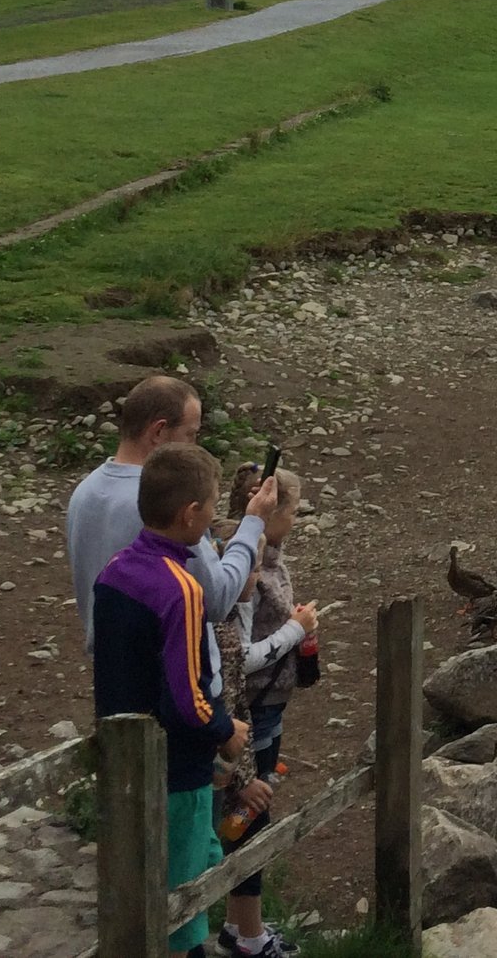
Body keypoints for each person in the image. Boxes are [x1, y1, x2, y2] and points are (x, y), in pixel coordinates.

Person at [93, 444, 251, 957]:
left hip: (125, 760)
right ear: (191, 515)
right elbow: (189, 696)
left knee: (149, 878)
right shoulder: (180, 589)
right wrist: (226, 731)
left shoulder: (115, 570)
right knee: (181, 904)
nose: (211, 520)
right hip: (178, 770)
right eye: (210, 509)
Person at [68, 373, 278, 655]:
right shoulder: (161, 502)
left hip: (113, 663)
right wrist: (253, 524)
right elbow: (217, 597)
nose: (194, 444)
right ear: (158, 432)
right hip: (172, 669)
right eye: (190, 434)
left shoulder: (85, 491)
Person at [215, 469, 319, 958]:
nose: (296, 520)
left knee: (249, 811)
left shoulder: (270, 560)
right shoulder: (246, 569)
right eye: (293, 512)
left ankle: (240, 921)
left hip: (269, 706)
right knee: (248, 814)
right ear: (269, 513)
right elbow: (240, 655)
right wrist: (297, 631)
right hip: (248, 712)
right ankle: (249, 936)